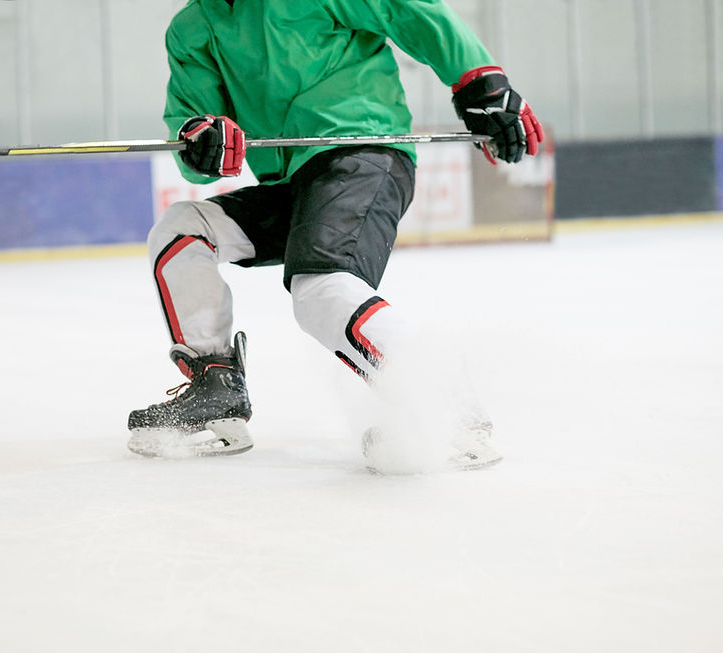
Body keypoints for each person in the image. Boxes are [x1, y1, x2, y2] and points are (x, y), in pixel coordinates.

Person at [126, 0, 543, 468]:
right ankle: (216, 387)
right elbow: (195, 127)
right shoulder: (192, 27)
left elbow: (407, 10)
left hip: (360, 153)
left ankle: (446, 407)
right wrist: (201, 138)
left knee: (321, 292)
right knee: (182, 229)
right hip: (291, 181)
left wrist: (478, 78)